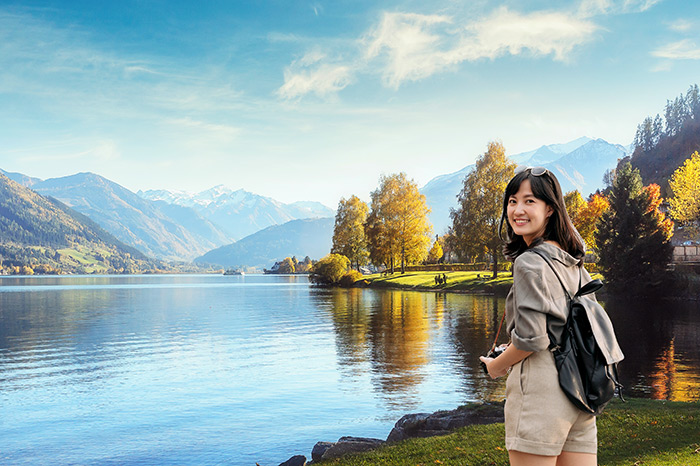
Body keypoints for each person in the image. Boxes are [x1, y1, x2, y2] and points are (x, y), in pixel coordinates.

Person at [479, 166, 599, 466]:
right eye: (512, 201)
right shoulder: (574, 261)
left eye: (529, 201)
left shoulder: (529, 263)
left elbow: (531, 340)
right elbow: (573, 326)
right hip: (580, 394)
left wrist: (496, 366)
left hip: (540, 396)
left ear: (550, 209)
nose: (518, 209)